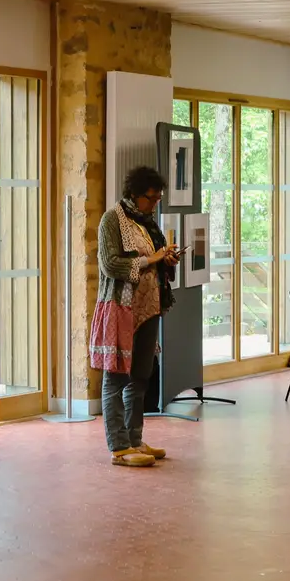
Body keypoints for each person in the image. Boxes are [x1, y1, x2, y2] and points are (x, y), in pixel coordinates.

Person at [91, 165, 177, 467]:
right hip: (121, 307)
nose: (155, 204)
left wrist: (165, 259)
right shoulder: (111, 220)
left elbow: (152, 261)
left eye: (158, 199)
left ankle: (135, 438)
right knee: (116, 377)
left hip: (148, 306)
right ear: (134, 194)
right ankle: (118, 446)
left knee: (140, 376)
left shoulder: (147, 222)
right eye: (151, 199)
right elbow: (110, 264)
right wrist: (151, 258)